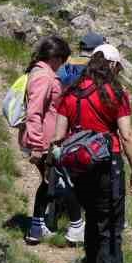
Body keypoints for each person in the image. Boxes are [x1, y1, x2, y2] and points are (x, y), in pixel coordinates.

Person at [52, 44, 132, 263]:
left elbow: (58, 137)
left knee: (92, 218)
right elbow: (126, 136)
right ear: (113, 66)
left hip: (79, 167)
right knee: (111, 228)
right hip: (107, 165)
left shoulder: (71, 92)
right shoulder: (115, 94)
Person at [21, 35, 85, 247]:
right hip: (48, 143)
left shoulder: (41, 73)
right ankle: (77, 226)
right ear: (55, 57)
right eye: (63, 60)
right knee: (62, 182)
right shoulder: (44, 77)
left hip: (49, 141)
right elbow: (35, 112)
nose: (63, 66)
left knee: (50, 182)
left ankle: (36, 228)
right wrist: (37, 146)